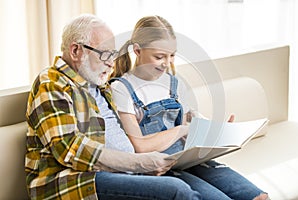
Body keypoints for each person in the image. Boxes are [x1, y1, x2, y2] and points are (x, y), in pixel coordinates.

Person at [24, 14, 204, 200]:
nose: (111, 62)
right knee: (177, 191)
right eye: (104, 54)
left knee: (199, 190)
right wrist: (138, 163)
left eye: (112, 55)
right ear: (76, 51)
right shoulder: (52, 82)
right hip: (75, 182)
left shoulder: (99, 86)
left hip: (122, 172)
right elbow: (70, 149)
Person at [110, 15, 269, 200]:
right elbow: (140, 146)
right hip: (160, 169)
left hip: (190, 159)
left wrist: (217, 132)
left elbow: (189, 128)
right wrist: (181, 130)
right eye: (159, 56)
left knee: (259, 197)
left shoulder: (175, 83)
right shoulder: (121, 88)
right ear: (137, 51)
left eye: (171, 56)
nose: (167, 63)